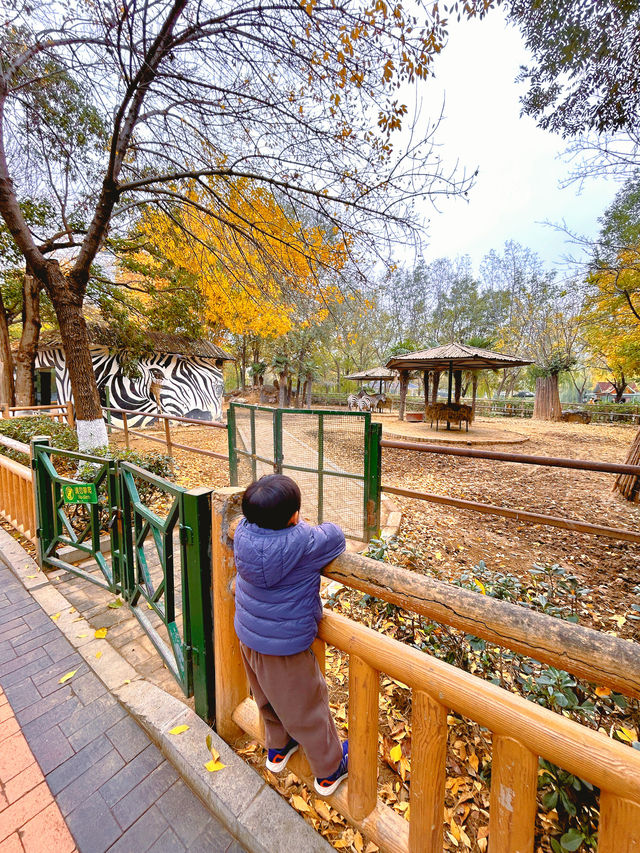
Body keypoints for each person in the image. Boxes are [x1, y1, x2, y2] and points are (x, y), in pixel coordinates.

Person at [233, 473, 348, 796]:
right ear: (294, 516)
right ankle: (328, 771)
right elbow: (336, 537)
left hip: (249, 635)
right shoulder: (305, 543)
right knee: (308, 706)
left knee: (265, 696)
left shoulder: (242, 533)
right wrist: (304, 527)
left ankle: (278, 748)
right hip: (285, 646)